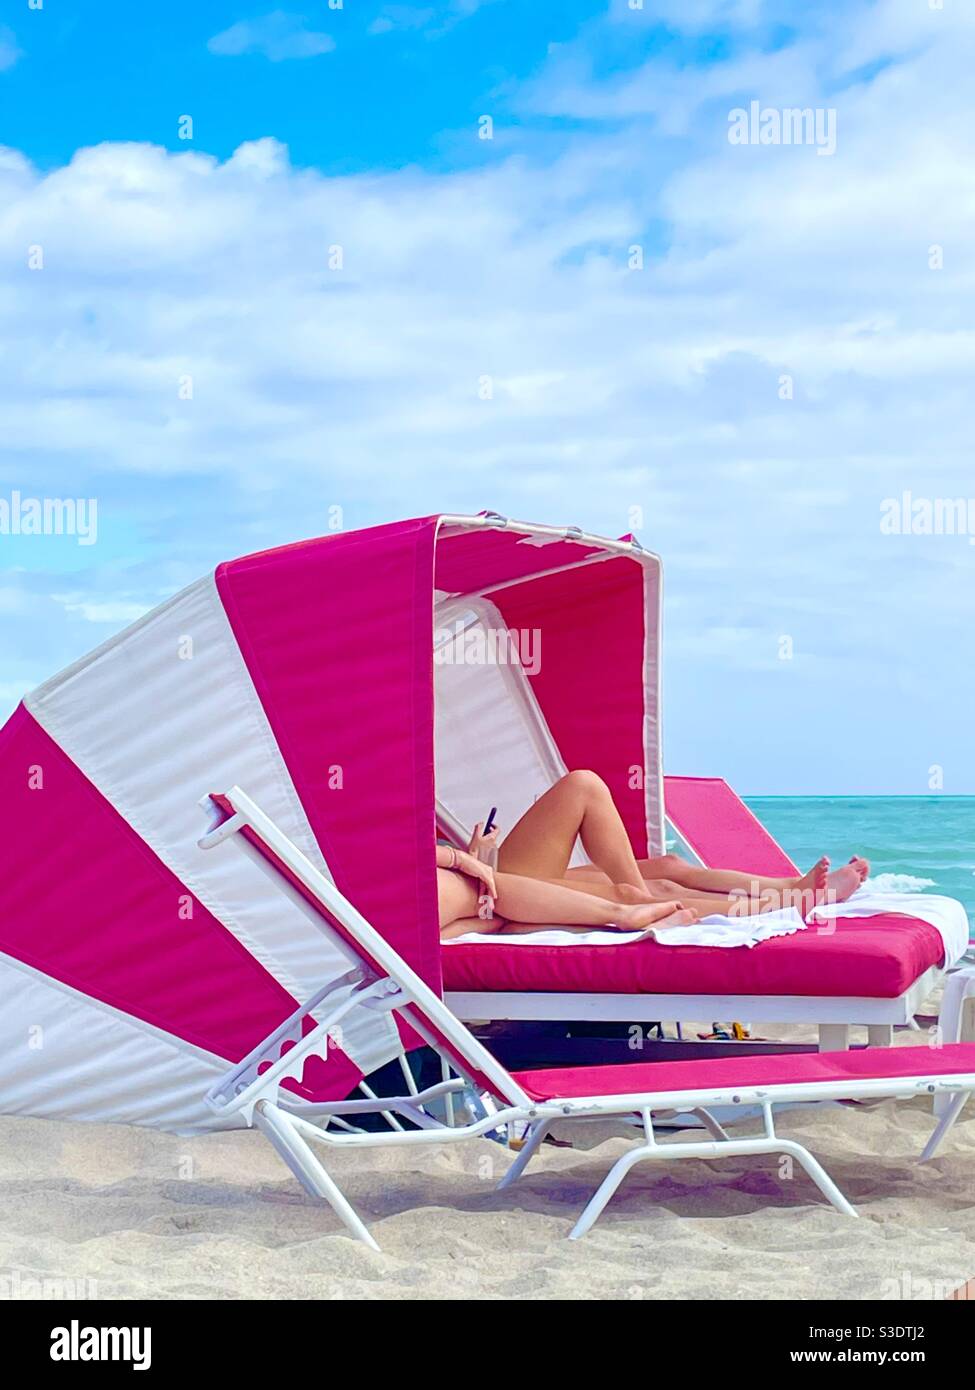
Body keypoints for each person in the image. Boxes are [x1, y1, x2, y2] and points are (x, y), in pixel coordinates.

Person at [437, 770, 869, 938]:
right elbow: (467, 927)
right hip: (487, 888)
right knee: (651, 887)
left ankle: (785, 886)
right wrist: (470, 870)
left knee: (668, 866)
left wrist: (471, 857)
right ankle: (785, 902)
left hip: (482, 876)